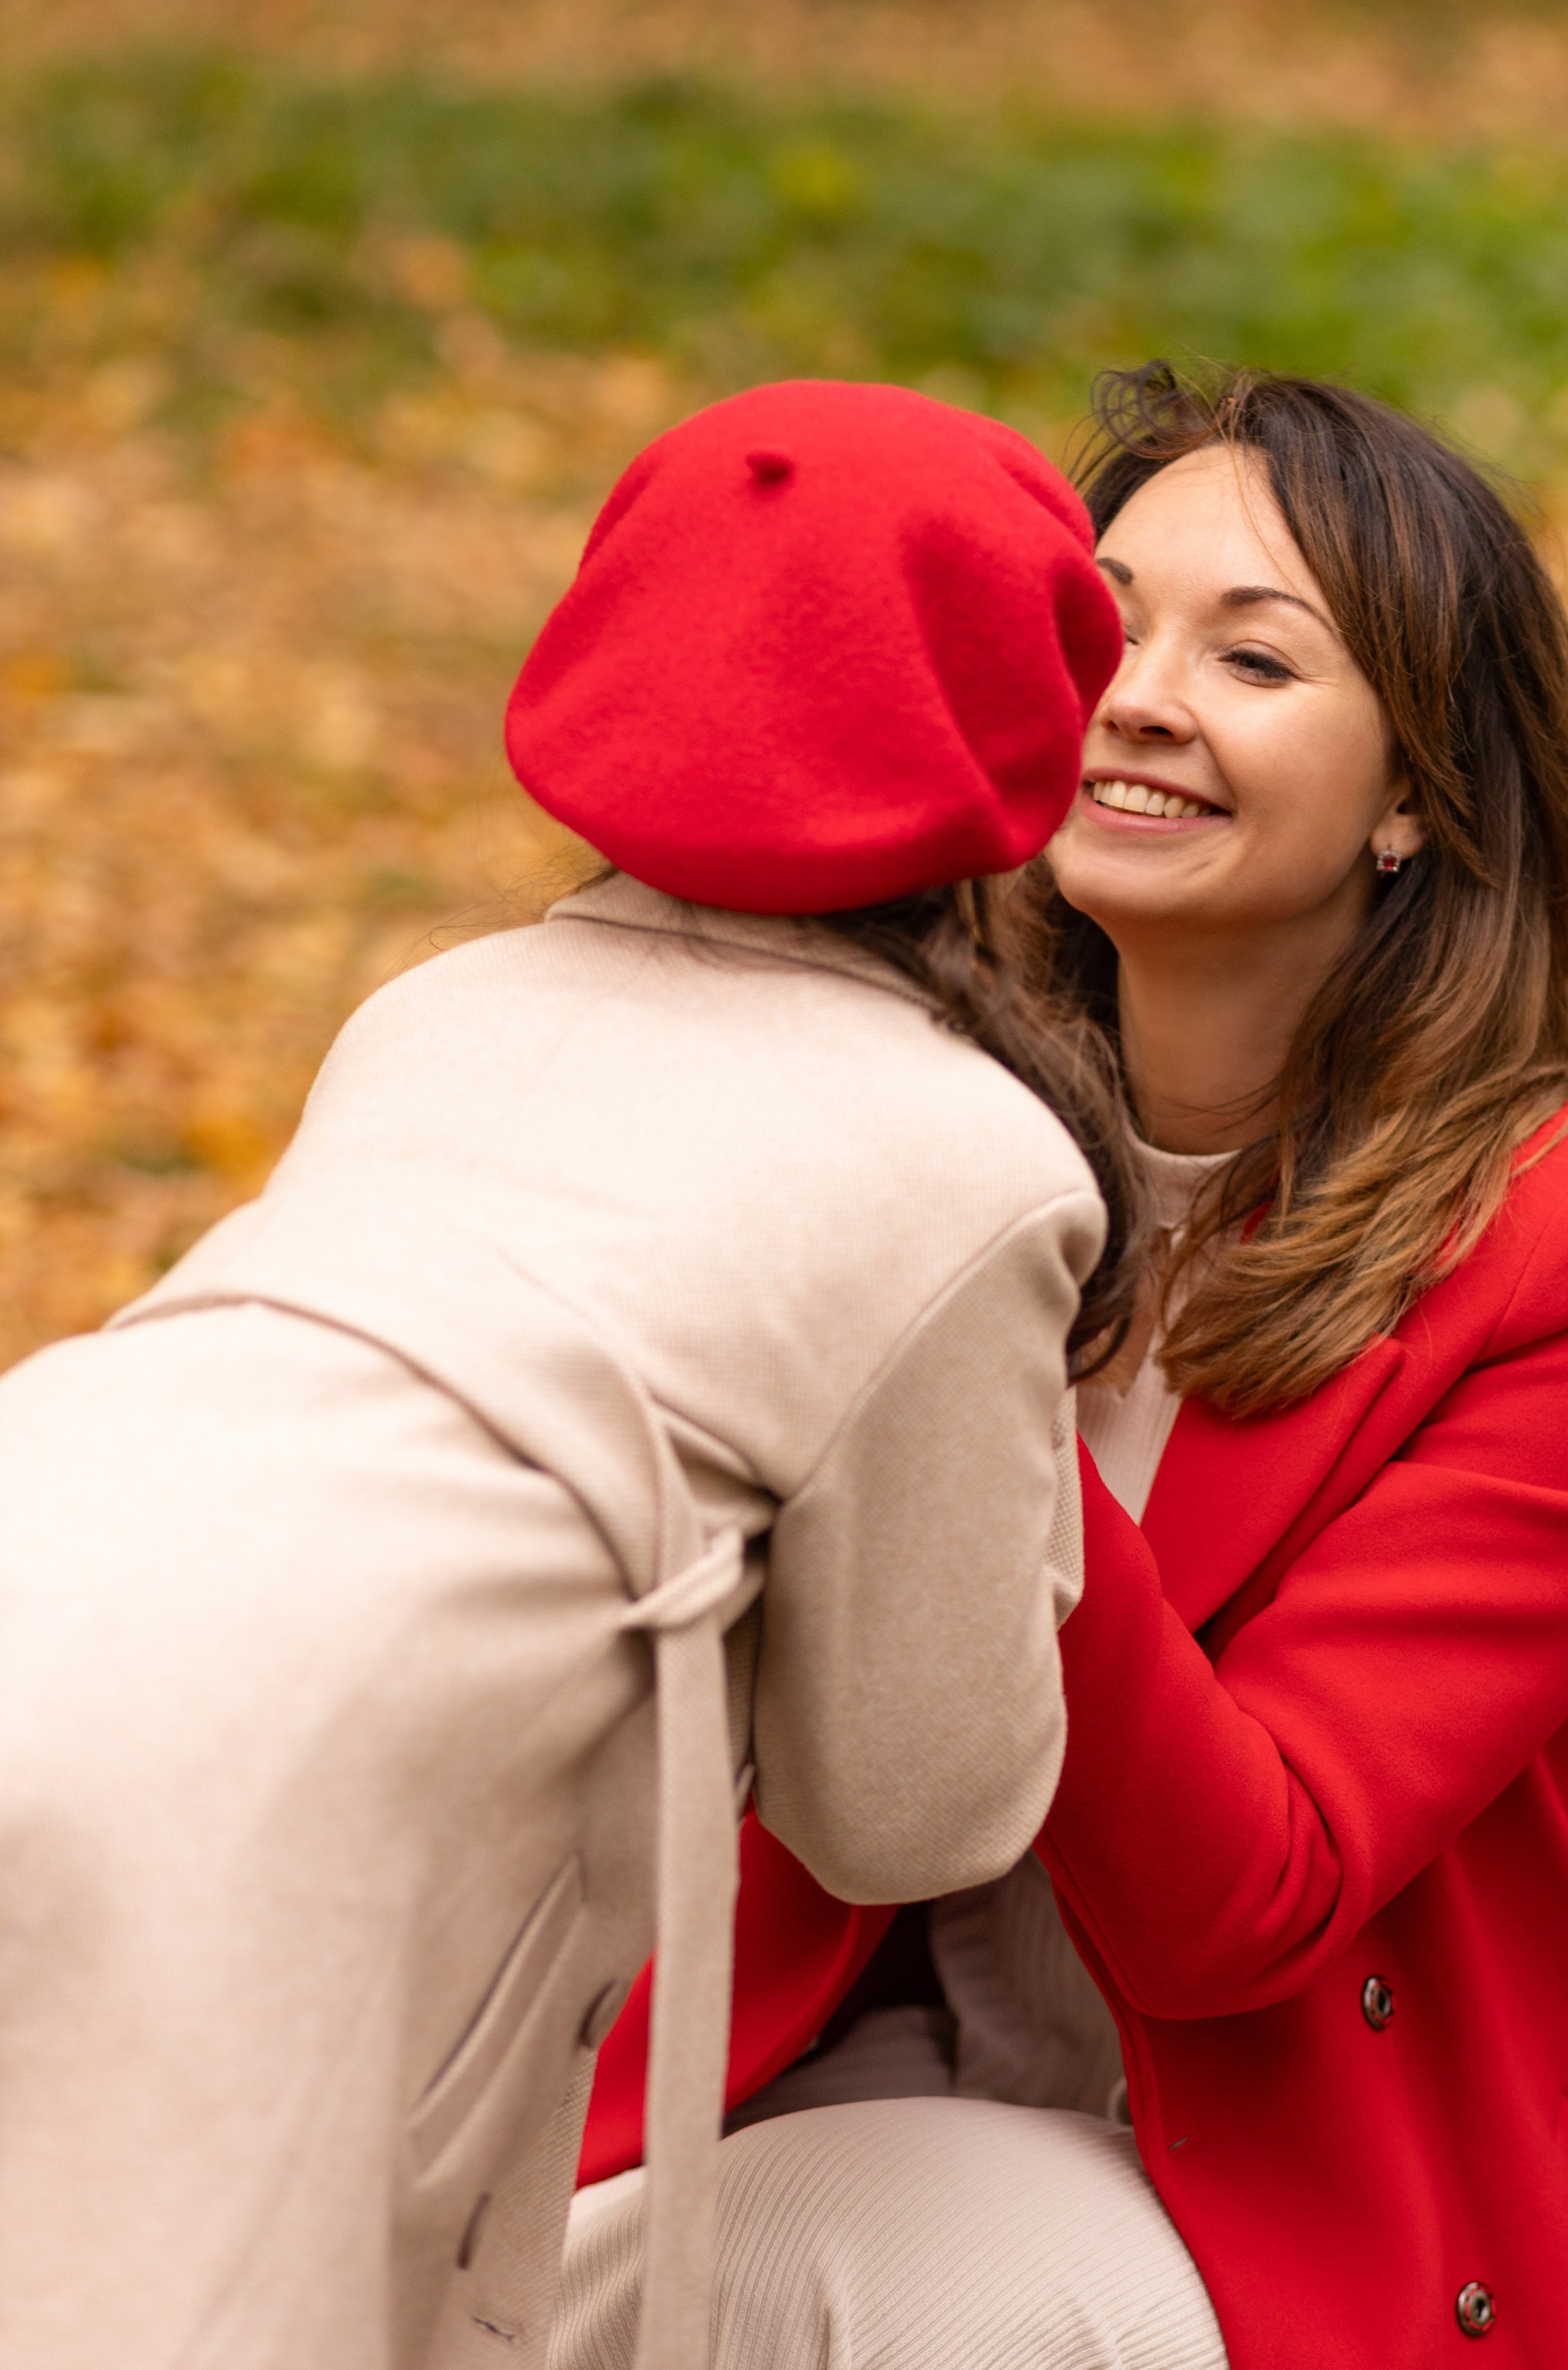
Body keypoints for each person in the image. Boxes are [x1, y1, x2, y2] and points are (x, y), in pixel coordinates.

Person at [561, 365, 1568, 2370]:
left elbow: (1246, 1903)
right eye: (1103, 624)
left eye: (1254, 656)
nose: (1137, 694)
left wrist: (963, 1364)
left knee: (831, 2279)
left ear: (1412, 796)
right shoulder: (880, 1103)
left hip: (1317, 2177)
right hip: (862, 2059)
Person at [0, 378, 1149, 2370]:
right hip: (263, 1770)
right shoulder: (972, 1159)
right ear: (1021, 730)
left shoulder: (435, 1009)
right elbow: (919, 1805)